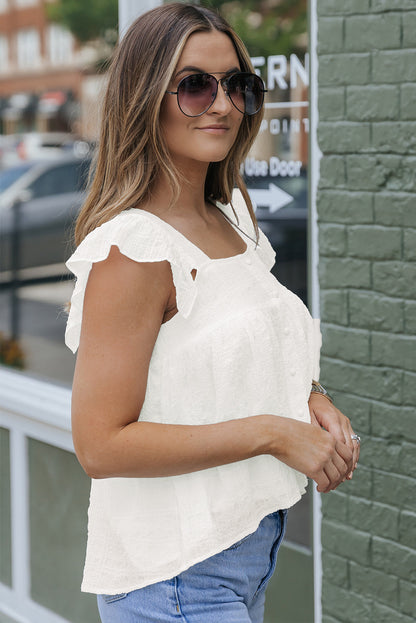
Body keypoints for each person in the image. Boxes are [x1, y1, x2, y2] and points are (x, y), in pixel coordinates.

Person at [65, 3, 360, 622]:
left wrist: (310, 397)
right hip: (175, 577)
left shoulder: (233, 221)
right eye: (196, 85)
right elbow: (101, 444)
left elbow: (245, 348)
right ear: (145, 96)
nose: (223, 104)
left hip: (245, 549)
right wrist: (275, 432)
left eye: (238, 86)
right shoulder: (135, 249)